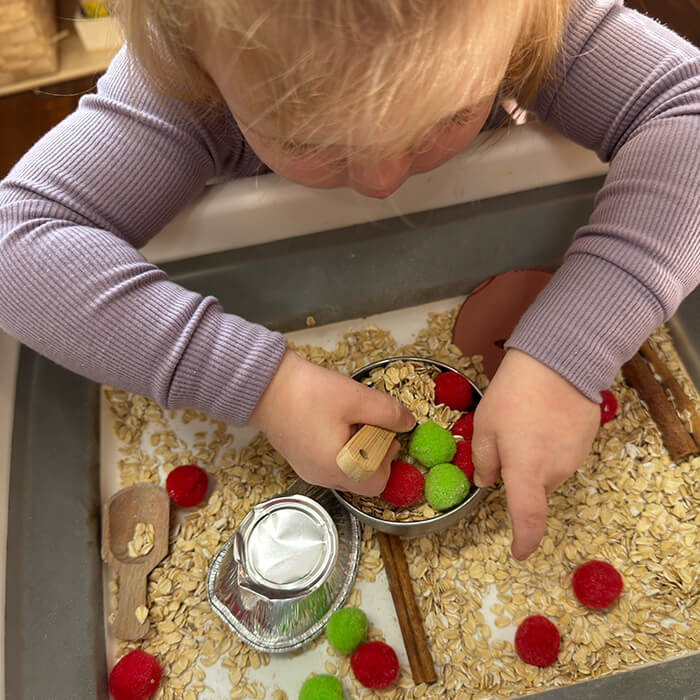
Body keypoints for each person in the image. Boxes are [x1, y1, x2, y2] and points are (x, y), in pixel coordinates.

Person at [0, 0, 697, 561]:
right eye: (306, 140)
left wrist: (568, 351)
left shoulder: (538, 18)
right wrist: (263, 385)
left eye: (448, 115)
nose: (381, 181)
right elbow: (14, 245)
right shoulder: (185, 78)